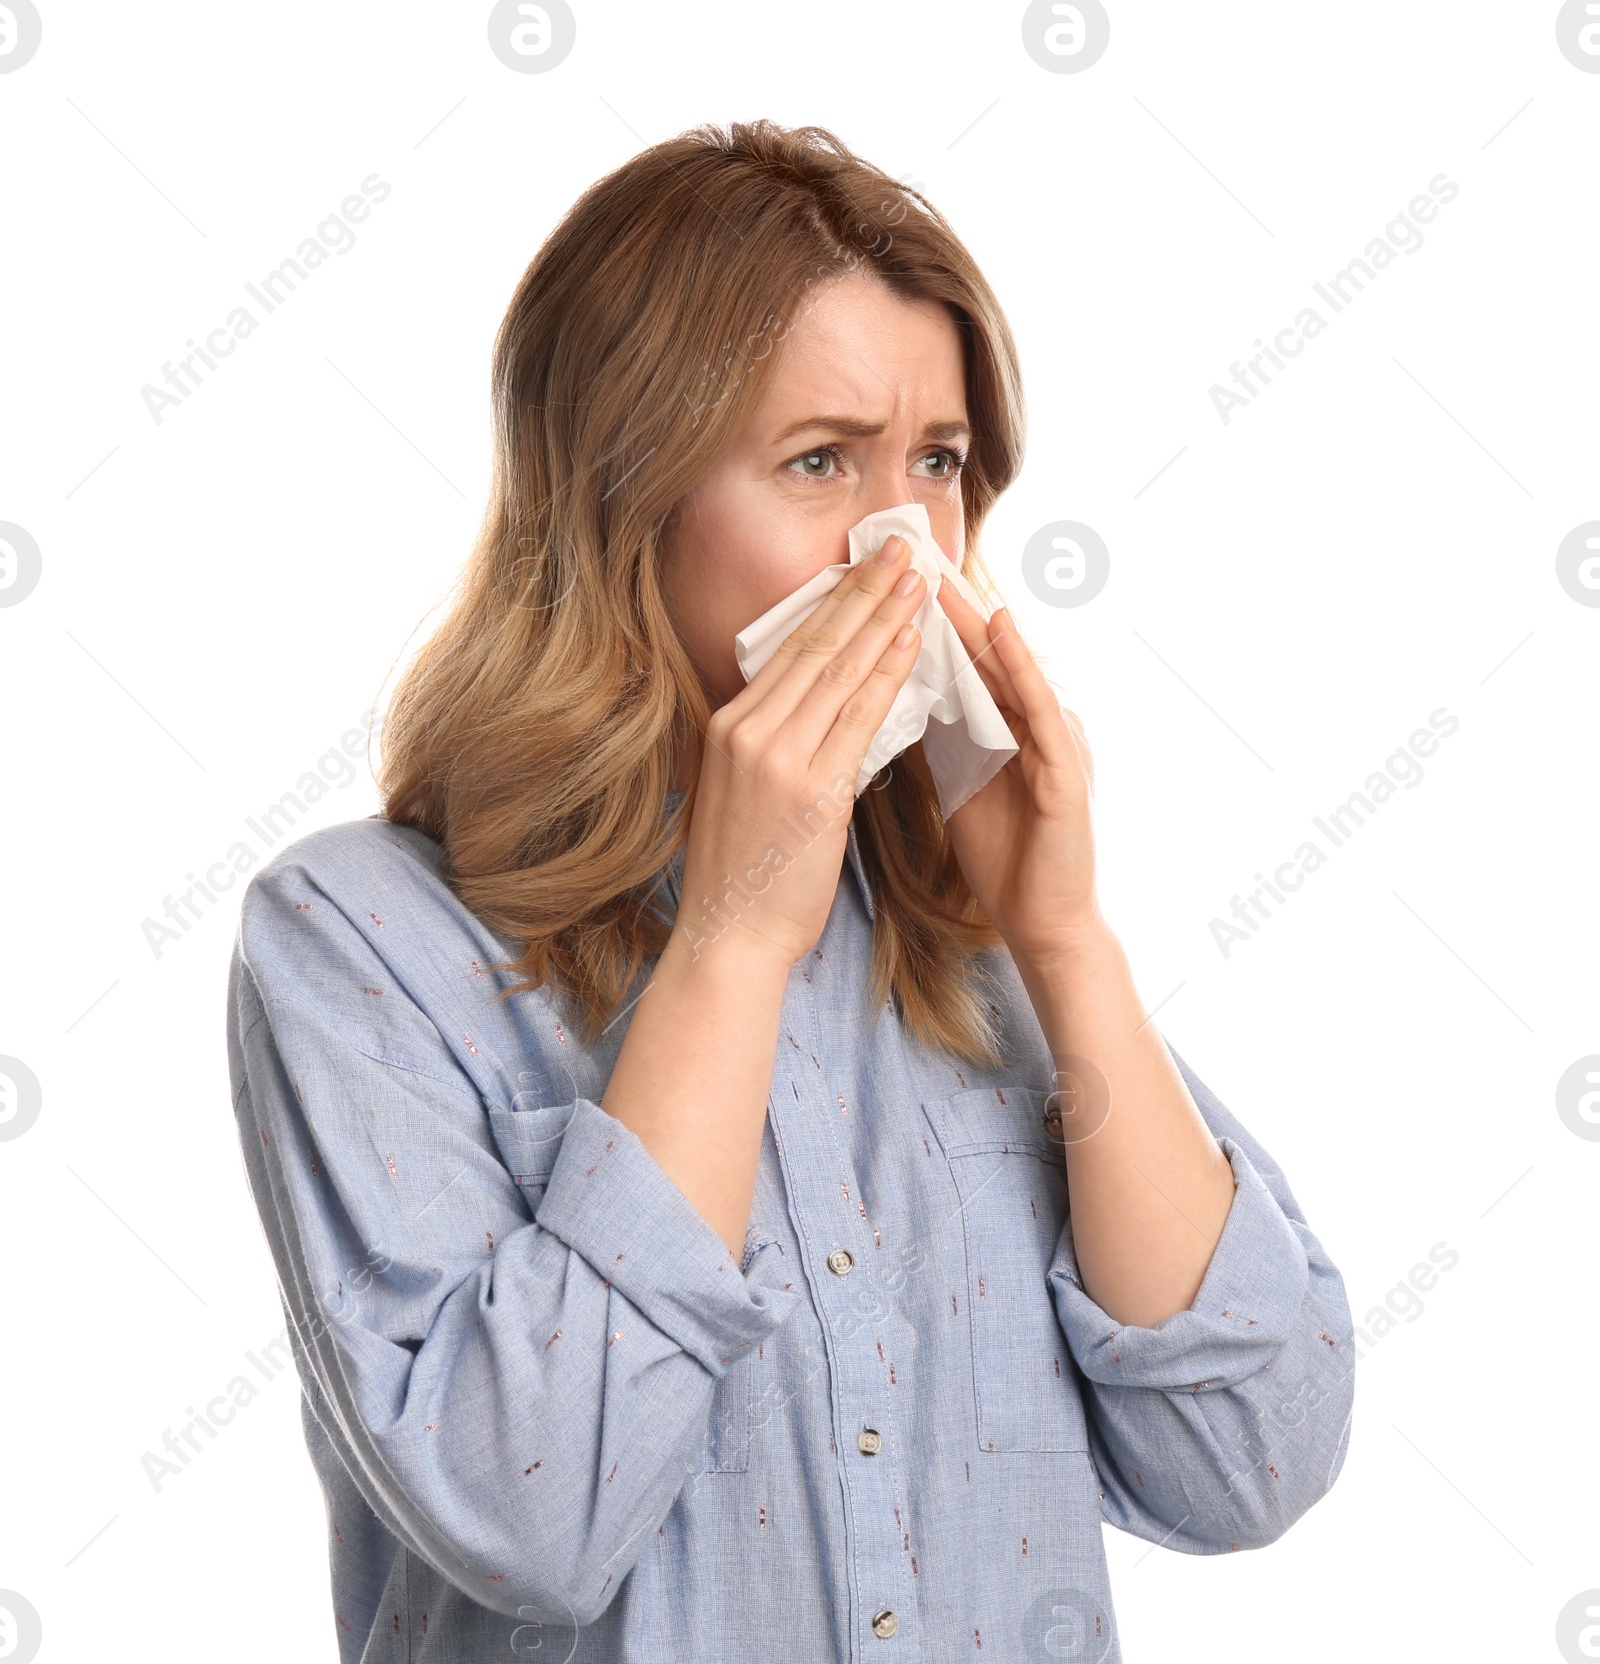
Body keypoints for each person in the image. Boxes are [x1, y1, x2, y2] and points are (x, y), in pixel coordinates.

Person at [226, 119, 1354, 1664]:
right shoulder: (357, 939)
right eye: (819, 461)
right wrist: (738, 938)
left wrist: (1063, 941)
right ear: (625, 499)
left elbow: (1250, 1462)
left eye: (938, 467)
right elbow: (527, 1516)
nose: (904, 551)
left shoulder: (970, 940)